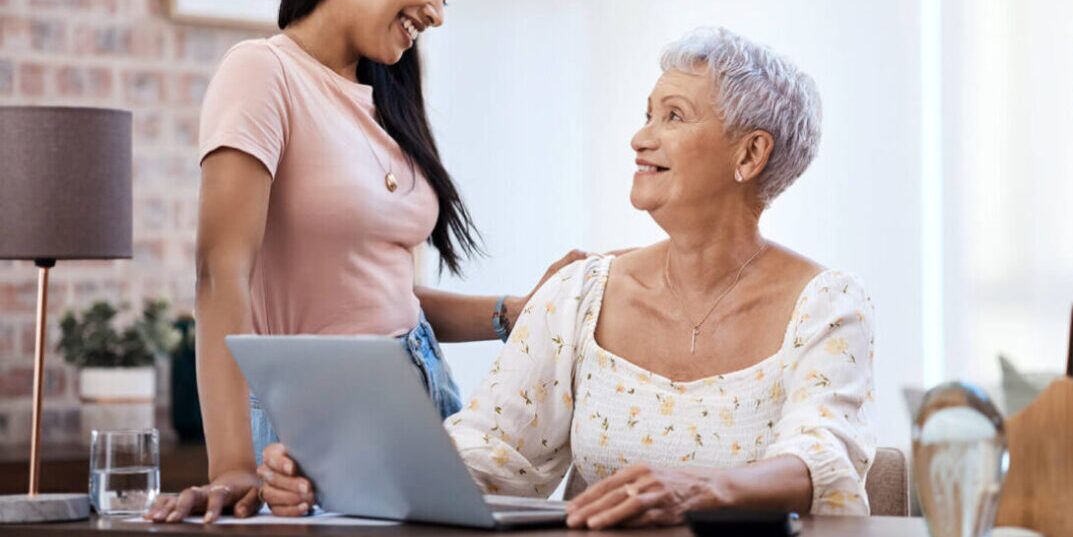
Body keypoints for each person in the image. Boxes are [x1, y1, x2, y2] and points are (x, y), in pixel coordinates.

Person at [261, 27, 877, 529]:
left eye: (674, 116)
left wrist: (696, 488)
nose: (641, 137)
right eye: (646, 114)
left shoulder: (826, 306)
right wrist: (335, 472)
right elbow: (488, 452)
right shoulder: (581, 294)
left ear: (749, 154)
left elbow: (820, 456)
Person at [146, 0, 582, 524]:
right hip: (316, 421)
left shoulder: (390, 104)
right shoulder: (263, 74)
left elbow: (380, 299)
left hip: (424, 398)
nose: (437, 11)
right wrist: (231, 465)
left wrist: (512, 312)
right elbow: (219, 273)